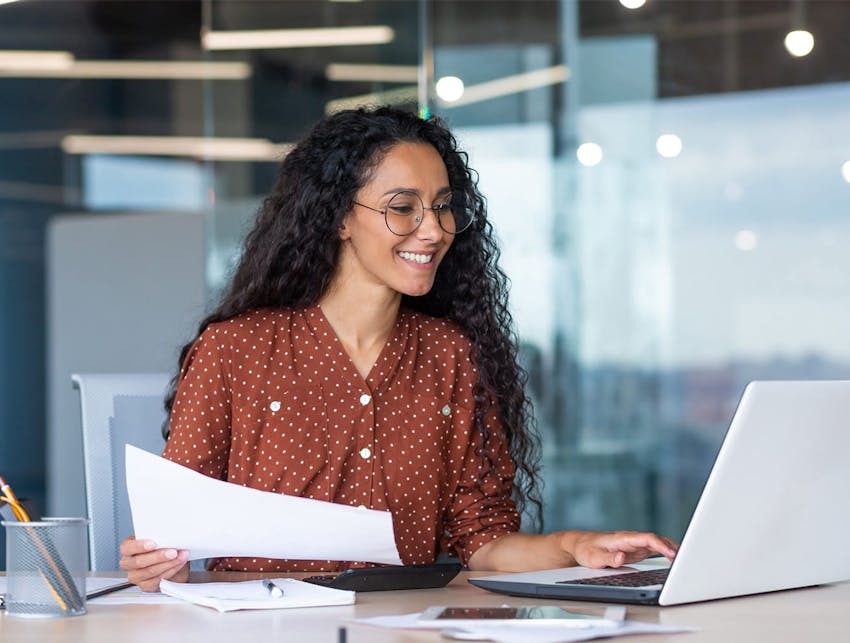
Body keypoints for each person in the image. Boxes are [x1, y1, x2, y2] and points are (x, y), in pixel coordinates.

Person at [120, 106, 676, 592]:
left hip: (405, 627)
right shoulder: (234, 350)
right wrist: (158, 563)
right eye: (403, 207)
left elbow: (482, 541)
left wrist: (575, 547)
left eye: (441, 206)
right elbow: (175, 533)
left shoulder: (451, 355)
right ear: (339, 216)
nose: (432, 230)